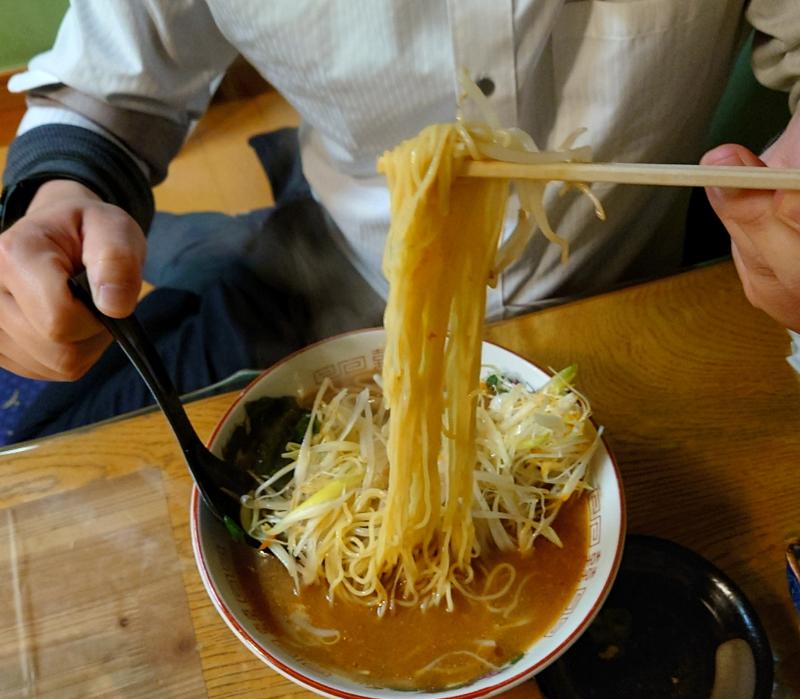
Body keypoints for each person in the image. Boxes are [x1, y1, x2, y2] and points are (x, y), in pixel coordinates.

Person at [0, 1, 799, 440]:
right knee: (40, 425)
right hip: (331, 268)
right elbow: (114, 86)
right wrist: (63, 189)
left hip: (620, 281)